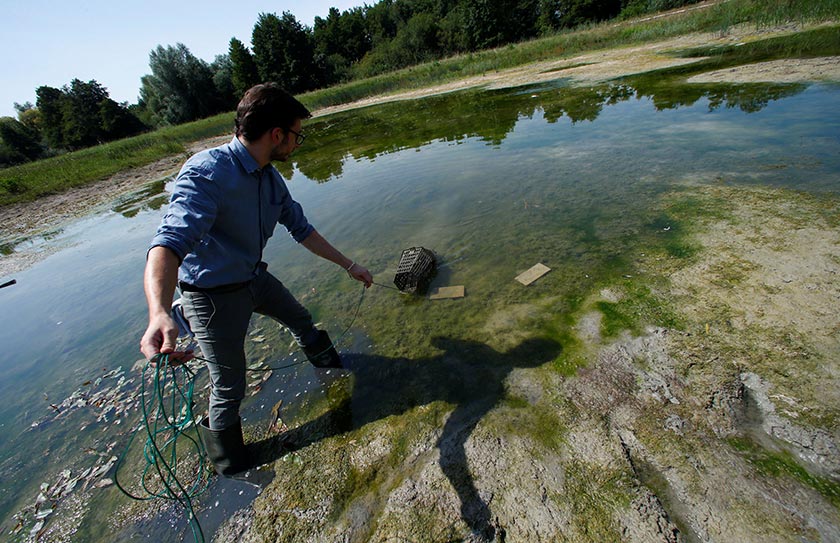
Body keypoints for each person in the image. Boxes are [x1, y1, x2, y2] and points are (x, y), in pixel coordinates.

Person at [139, 83, 372, 475]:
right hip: (212, 297)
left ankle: (332, 370)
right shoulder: (207, 173)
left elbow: (303, 229)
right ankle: (230, 465)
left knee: (301, 319)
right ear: (277, 135)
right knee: (229, 385)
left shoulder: (269, 178)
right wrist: (159, 312)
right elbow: (168, 243)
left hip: (254, 279)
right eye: (297, 135)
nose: (298, 143)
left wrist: (349, 266)